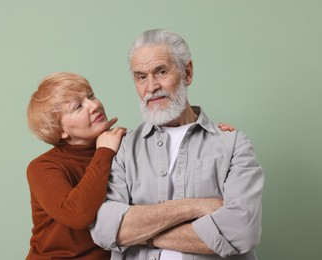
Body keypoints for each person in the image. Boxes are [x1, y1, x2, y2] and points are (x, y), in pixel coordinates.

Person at [90, 29, 264, 260]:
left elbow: (241, 232)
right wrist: (192, 207)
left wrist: (143, 234)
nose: (151, 87)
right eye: (141, 77)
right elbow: (105, 229)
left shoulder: (233, 144)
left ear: (187, 72)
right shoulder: (122, 148)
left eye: (161, 72)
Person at [25, 72, 127, 259]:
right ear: (60, 130)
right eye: (78, 106)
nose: (94, 105)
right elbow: (77, 215)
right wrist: (104, 152)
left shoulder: (120, 146)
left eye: (91, 96)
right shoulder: (42, 167)